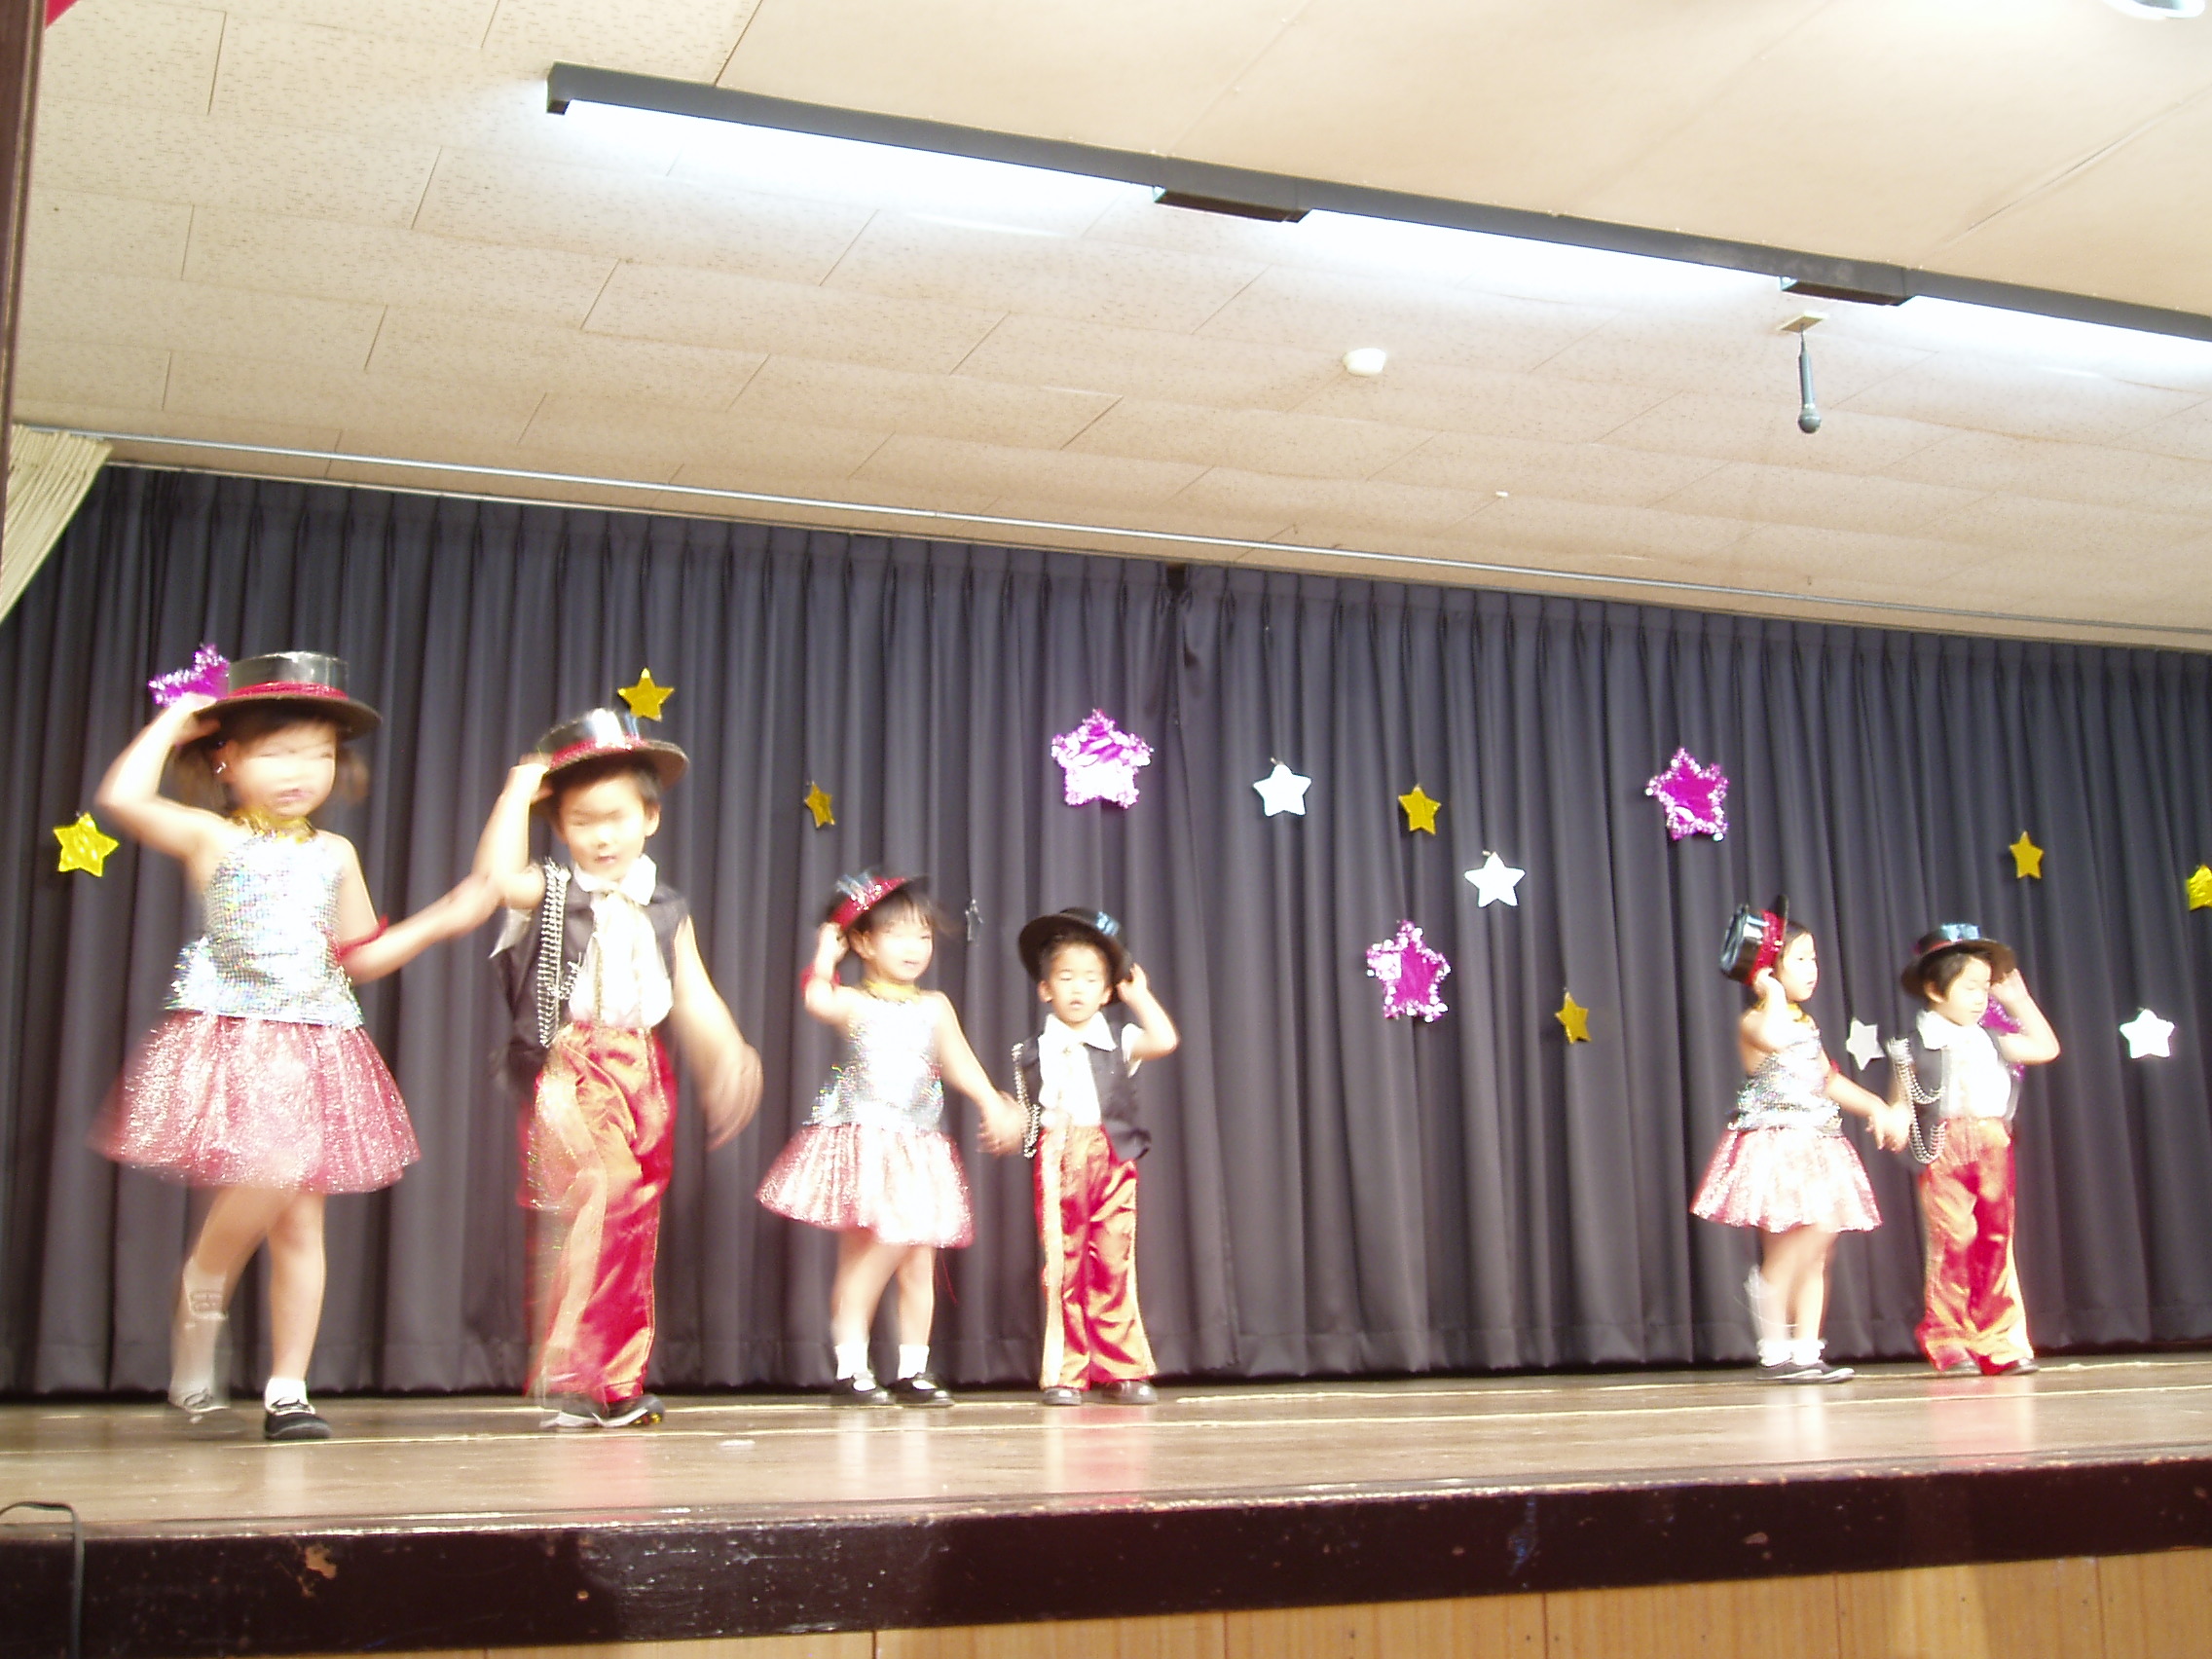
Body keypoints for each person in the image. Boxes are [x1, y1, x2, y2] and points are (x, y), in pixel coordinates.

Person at [93, 651, 498, 1440]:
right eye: (278, 752)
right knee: (269, 1173)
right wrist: (178, 719)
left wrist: (441, 919)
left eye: (318, 754)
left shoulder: (334, 854)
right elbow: (122, 798)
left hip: (318, 1041)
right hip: (236, 1036)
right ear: (227, 759)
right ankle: (204, 1279)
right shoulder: (211, 836)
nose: (301, 771)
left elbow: (359, 956)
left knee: (301, 1226)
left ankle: (288, 1390)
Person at [482, 708, 761, 1429]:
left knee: (633, 1220)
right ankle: (575, 1377)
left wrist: (728, 1051)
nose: (601, 836)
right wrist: (520, 790)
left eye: (616, 818)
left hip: (643, 1071)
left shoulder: (665, 907)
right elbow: (496, 878)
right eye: (581, 822)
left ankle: (613, 1380)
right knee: (599, 1201)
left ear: (650, 818)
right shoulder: (552, 891)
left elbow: (692, 993)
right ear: (559, 827)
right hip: (574, 1067)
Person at [757, 872, 1023, 1406]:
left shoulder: (935, 1006)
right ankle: (852, 1368)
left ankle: (912, 1369)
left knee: (918, 1261)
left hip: (919, 1143)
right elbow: (817, 1000)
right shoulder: (854, 1001)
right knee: (867, 1256)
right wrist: (826, 953)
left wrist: (992, 1101)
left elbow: (958, 1060)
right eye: (898, 934)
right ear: (863, 942)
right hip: (868, 1142)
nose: (914, 947)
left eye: (923, 936)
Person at [1693, 904, 1910, 1382]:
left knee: (1816, 1254)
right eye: (1800, 960)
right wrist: (1769, 991)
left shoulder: (1806, 1025)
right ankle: (1774, 1348)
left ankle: (1806, 1349)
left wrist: (1876, 1106)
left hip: (1817, 1142)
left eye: (1814, 959)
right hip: (1777, 1145)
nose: (1813, 969)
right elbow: (1773, 1039)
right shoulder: (1756, 1021)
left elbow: (1827, 1079)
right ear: (1769, 967)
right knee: (1802, 1238)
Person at [1012, 909, 1178, 1406]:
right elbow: (1028, 1111)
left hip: (1113, 1155)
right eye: (1066, 978)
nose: (1078, 989)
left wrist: (1139, 996)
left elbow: (1165, 1040)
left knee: (1112, 1259)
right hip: (1059, 1155)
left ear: (1106, 992)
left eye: (1090, 979)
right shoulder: (1033, 1049)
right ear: (1045, 989)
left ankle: (1120, 1367)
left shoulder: (1119, 1040)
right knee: (1064, 1264)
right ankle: (1066, 1371)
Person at [1886, 925, 2061, 1376]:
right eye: (1969, 988)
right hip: (1944, 1144)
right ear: (1934, 989)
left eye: (1984, 988)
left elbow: (2046, 1048)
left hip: (1992, 1142)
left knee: (1995, 1239)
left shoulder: (1992, 1039)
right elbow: (1901, 1100)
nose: (1980, 998)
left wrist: (2018, 1001)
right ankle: (1948, 1336)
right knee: (1954, 1238)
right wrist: (1896, 1119)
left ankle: (1997, 1340)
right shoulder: (1915, 1044)